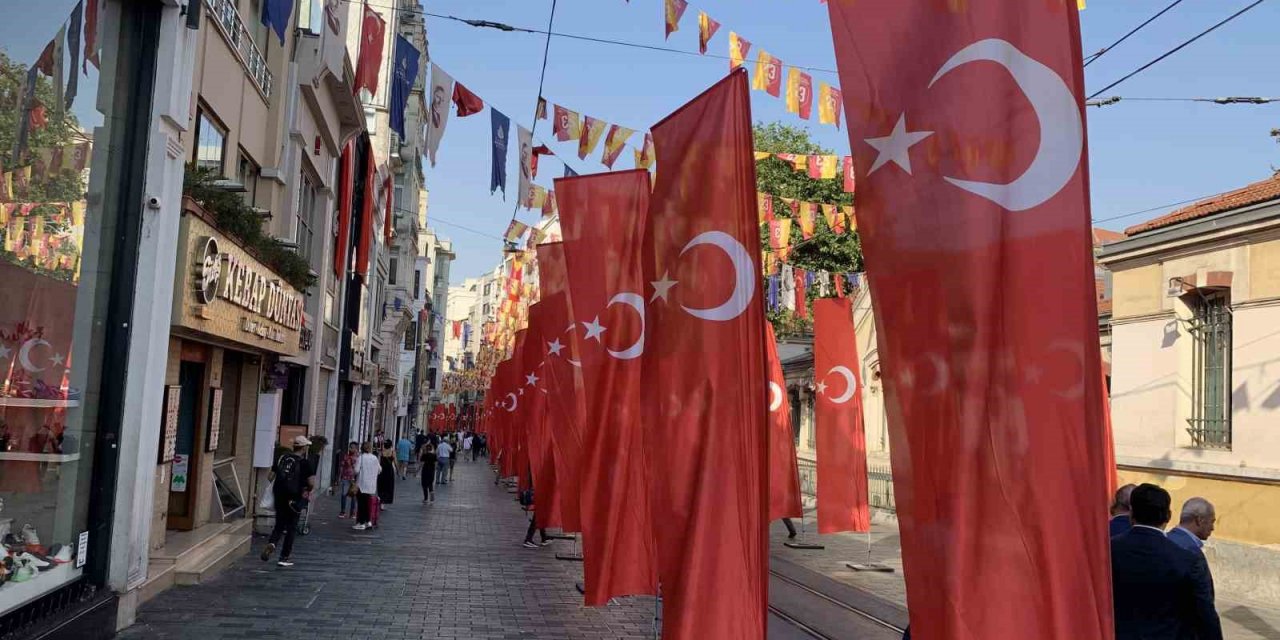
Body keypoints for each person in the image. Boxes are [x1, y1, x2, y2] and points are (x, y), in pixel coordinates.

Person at [1111, 483, 1221, 640]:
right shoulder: (1186, 559)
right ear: (1168, 516)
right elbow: (1205, 615)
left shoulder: (1109, 550)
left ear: (1131, 514)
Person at [260, 436, 316, 567]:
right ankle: (284, 557)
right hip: (294, 498)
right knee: (291, 527)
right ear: (303, 448)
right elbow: (311, 483)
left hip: (279, 495)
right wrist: (307, 489)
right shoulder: (305, 463)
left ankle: (272, 543)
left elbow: (270, 477)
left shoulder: (282, 458)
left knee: (279, 524)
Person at [353, 442, 381, 531]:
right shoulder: (374, 458)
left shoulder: (361, 457)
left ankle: (361, 523)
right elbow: (379, 469)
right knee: (367, 504)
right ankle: (368, 522)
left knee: (362, 505)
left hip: (361, 484)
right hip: (371, 485)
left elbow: (356, 470)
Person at [336, 442, 358, 519]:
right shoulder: (346, 456)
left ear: (356, 449)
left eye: (352, 447)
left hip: (354, 479)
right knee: (344, 494)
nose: (351, 449)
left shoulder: (358, 457)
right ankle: (342, 512)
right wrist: (339, 477)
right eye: (350, 447)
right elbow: (341, 467)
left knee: (354, 495)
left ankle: (352, 513)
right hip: (345, 478)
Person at [377, 440, 396, 508]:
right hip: (389, 471)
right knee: (388, 486)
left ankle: (380, 499)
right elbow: (395, 462)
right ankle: (383, 503)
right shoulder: (392, 452)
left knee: (381, 486)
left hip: (382, 471)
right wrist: (398, 471)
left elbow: (378, 462)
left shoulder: (381, 452)